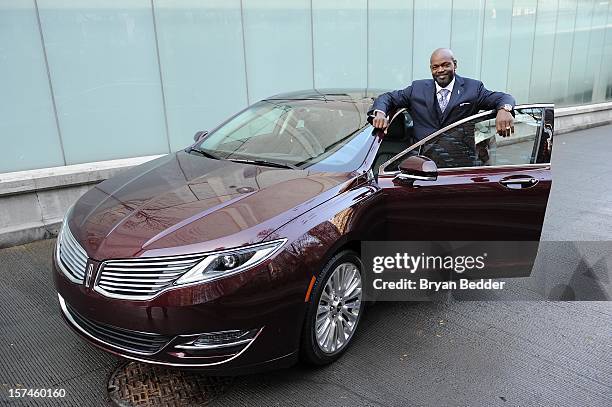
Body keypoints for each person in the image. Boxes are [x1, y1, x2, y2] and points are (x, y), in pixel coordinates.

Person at [368, 48, 516, 140]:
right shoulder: (417, 88)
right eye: (435, 67)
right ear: (431, 68)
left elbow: (503, 98)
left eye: (445, 65)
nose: (440, 70)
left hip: (459, 162)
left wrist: (505, 109)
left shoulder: (473, 88)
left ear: (455, 65)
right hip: (420, 162)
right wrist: (380, 112)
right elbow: (387, 98)